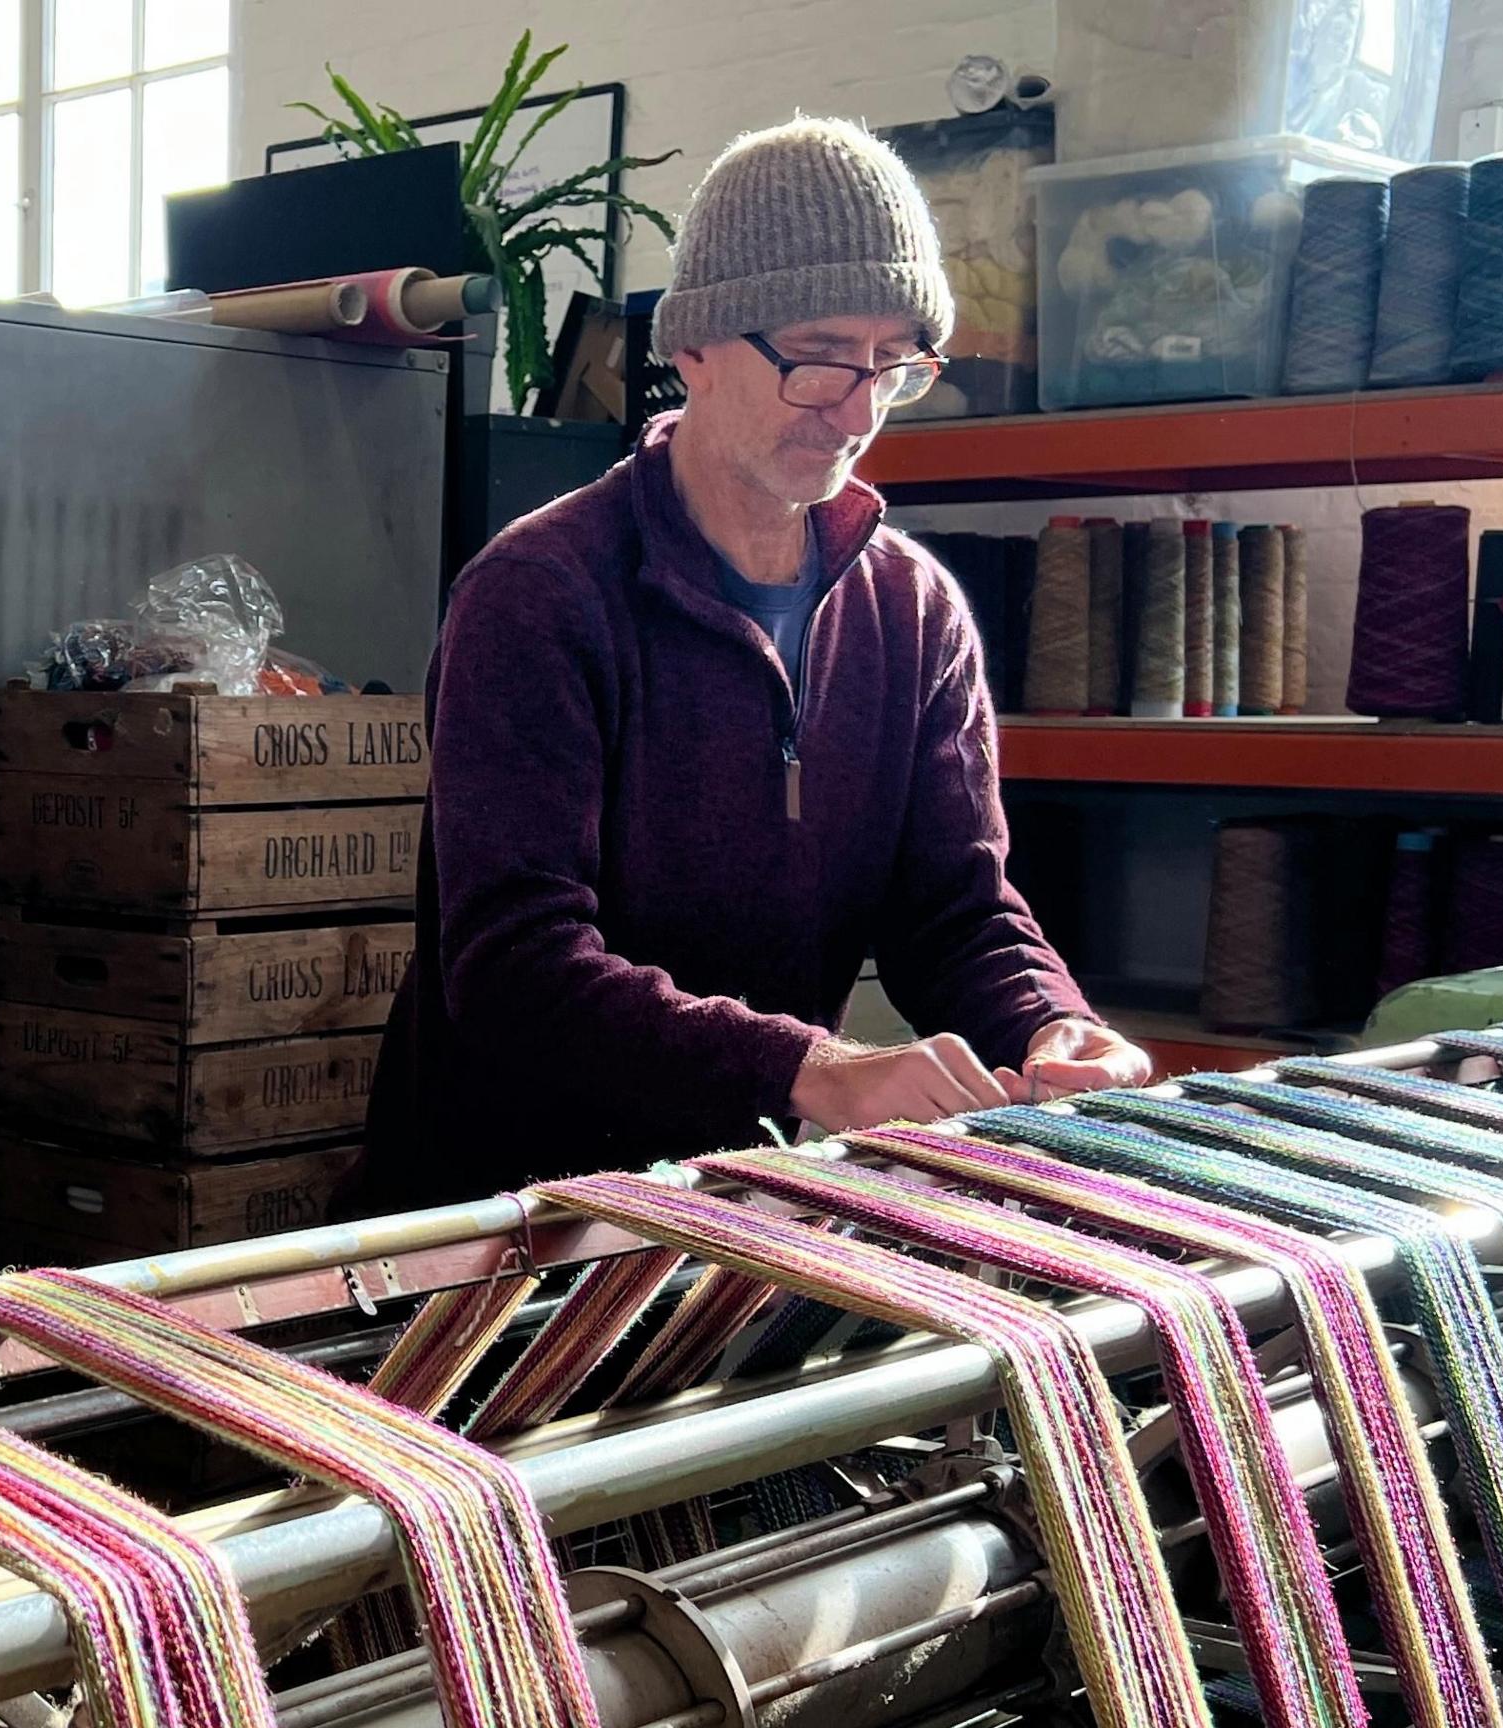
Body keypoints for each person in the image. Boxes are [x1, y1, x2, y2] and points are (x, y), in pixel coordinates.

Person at [364, 116, 1145, 1207]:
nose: (858, 412)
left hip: (746, 1206)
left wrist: (1055, 1026)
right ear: (694, 347)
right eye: (821, 360)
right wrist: (812, 1069)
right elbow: (515, 969)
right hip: (504, 1221)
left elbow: (954, 912)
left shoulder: (913, 611)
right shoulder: (541, 594)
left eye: (893, 367)